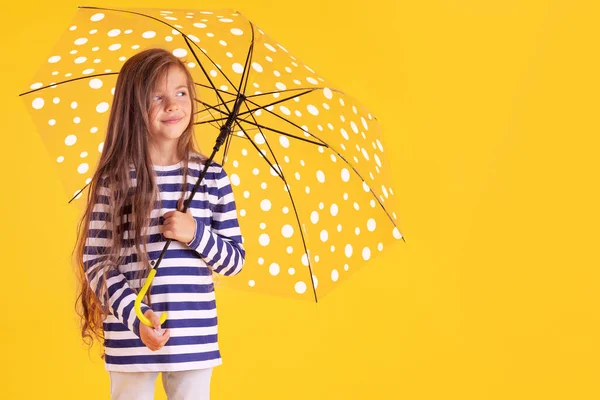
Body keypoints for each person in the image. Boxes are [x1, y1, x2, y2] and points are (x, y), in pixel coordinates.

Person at [73, 47, 245, 400]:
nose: (173, 105)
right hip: (130, 335)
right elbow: (96, 261)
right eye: (157, 97)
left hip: (193, 338)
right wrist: (136, 315)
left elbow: (234, 260)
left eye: (181, 93)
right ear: (133, 108)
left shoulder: (211, 177)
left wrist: (195, 233)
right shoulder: (116, 178)